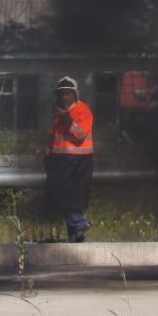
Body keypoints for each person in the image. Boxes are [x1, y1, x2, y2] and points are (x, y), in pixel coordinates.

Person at [45, 76, 94, 242]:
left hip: (78, 161)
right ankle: (77, 236)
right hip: (61, 161)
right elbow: (53, 137)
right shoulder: (59, 115)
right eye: (61, 94)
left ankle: (79, 224)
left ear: (75, 95)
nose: (64, 98)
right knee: (70, 199)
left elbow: (80, 133)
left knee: (62, 196)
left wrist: (66, 117)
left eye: (68, 94)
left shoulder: (83, 110)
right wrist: (47, 156)